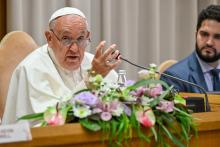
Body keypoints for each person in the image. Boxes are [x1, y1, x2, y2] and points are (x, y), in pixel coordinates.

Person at [2, 7, 121, 124]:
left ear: (87, 36)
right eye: (66, 39)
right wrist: (92, 79)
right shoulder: (32, 69)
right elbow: (47, 122)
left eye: (80, 39)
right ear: (49, 38)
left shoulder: (94, 63)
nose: (74, 49)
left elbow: (120, 106)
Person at [160, 5, 220, 93]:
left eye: (217, 37)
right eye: (204, 34)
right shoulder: (174, 77)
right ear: (196, 34)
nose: (209, 42)